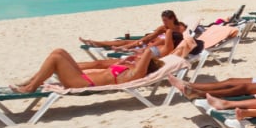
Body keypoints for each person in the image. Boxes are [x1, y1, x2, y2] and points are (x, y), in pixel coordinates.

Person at [11, 47, 163, 93]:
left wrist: (148, 53)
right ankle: (32, 81)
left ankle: (31, 87)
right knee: (60, 52)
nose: (138, 55)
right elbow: (103, 67)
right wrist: (123, 61)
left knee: (55, 58)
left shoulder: (135, 74)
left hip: (82, 83)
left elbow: (149, 51)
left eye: (141, 57)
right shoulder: (129, 68)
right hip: (83, 77)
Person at [81, 9, 187, 53]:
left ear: (172, 18)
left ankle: (123, 48)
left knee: (128, 44)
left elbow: (184, 42)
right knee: (123, 42)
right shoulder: (163, 28)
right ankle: (97, 43)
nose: (164, 23)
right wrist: (140, 41)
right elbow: (150, 37)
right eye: (162, 20)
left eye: (165, 20)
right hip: (151, 42)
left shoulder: (181, 28)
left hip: (158, 46)